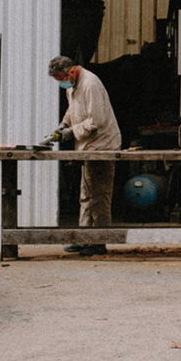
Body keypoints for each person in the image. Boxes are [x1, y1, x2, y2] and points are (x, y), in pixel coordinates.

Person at [48, 56, 122, 256]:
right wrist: (63, 125)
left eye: (62, 78)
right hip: (89, 147)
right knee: (86, 195)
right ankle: (83, 238)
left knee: (100, 196)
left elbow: (96, 120)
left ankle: (98, 242)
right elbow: (73, 111)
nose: (62, 83)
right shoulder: (71, 85)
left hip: (102, 147)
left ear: (71, 71)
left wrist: (71, 132)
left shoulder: (91, 85)